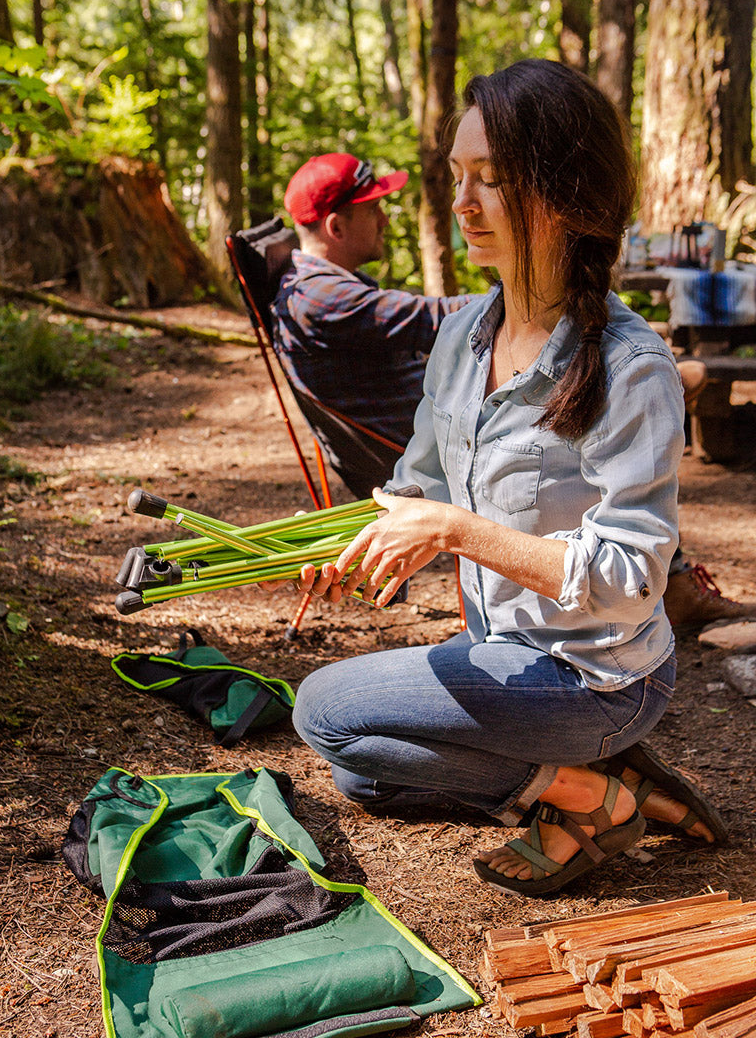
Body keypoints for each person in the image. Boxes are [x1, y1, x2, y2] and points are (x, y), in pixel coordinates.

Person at [287, 59, 725, 899]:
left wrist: (455, 534)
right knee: (366, 776)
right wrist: (352, 542)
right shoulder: (461, 336)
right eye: (458, 176)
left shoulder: (630, 368)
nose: (462, 203)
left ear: (566, 197)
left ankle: (593, 792)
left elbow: (633, 581)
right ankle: (600, 781)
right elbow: (417, 481)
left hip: (597, 676)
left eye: (492, 179)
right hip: (503, 649)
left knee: (325, 712)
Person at [272, 152, 477, 448]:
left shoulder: (318, 285)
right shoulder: (321, 298)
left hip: (441, 432)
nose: (384, 221)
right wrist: (520, 297)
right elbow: (438, 318)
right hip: (433, 455)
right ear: (336, 228)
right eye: (372, 210)